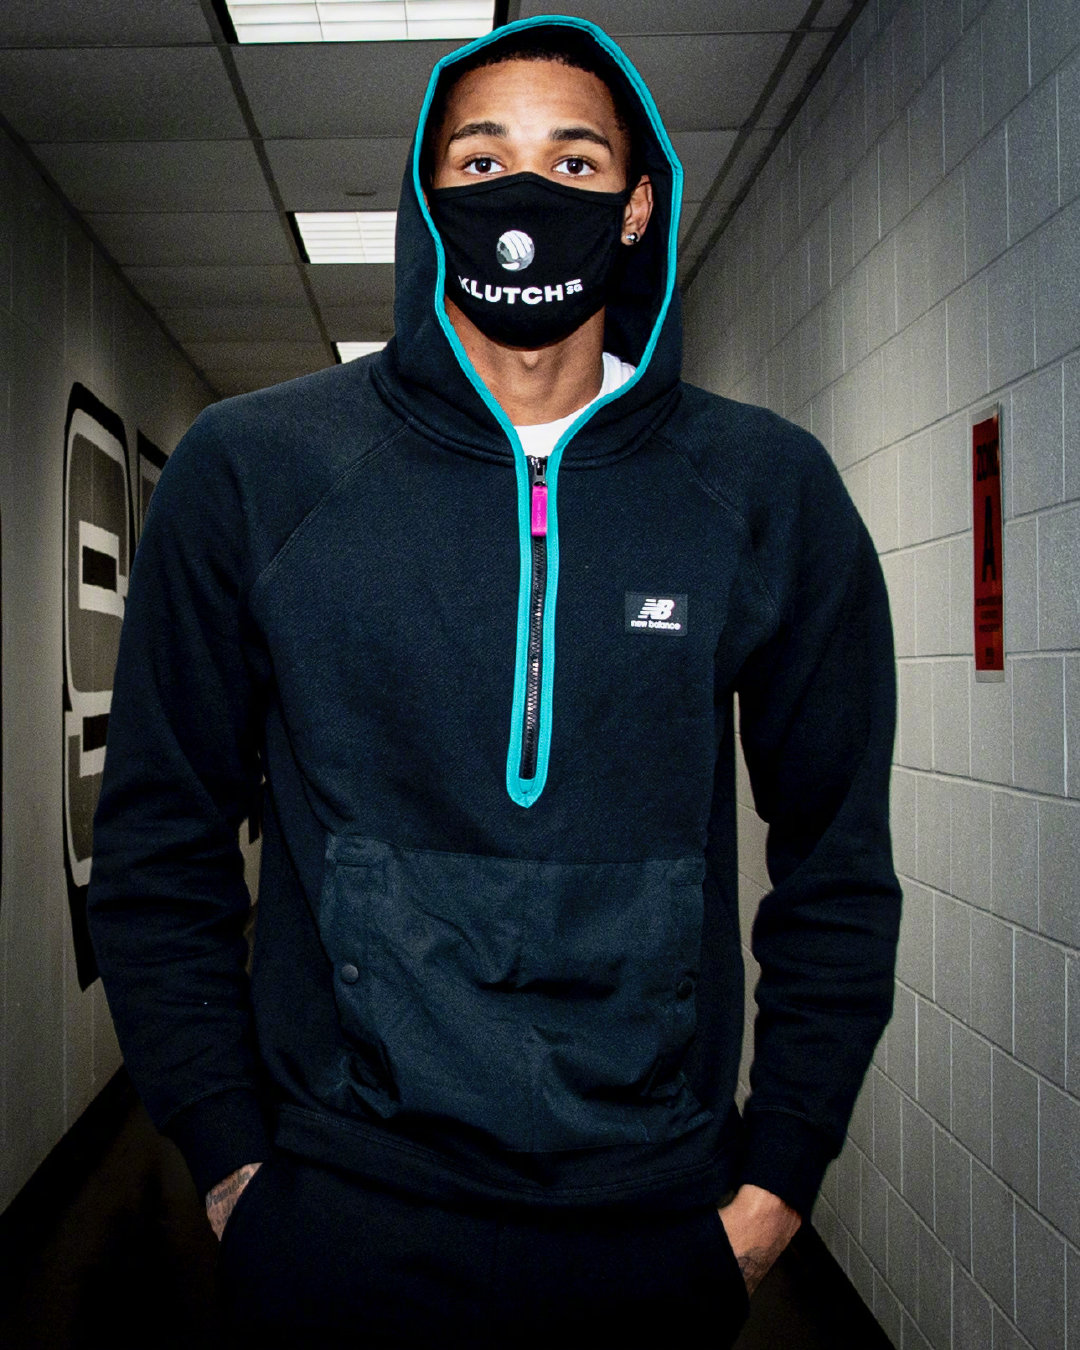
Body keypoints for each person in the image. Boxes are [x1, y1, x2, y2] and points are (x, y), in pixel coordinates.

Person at [88, 15, 901, 1349]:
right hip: (337, 1213)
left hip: (653, 1220)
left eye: (575, 163)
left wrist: (775, 1187)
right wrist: (231, 1161)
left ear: (638, 207)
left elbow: (839, 861)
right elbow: (158, 842)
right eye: (482, 161)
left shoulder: (764, 491)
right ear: (429, 197)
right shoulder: (256, 472)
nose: (526, 195)